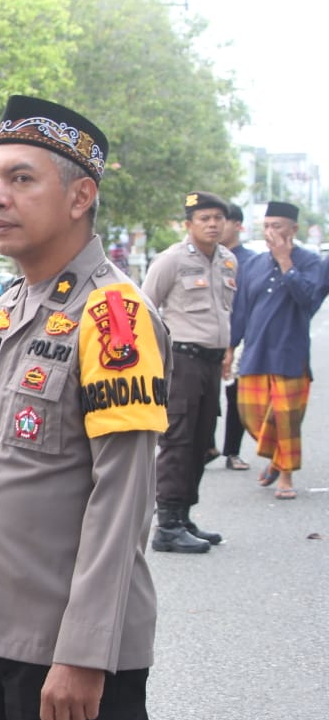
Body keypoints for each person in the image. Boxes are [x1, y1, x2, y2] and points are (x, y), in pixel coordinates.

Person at [0, 96, 168, 720]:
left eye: (21, 179)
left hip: (68, 655)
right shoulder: (9, 306)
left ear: (80, 197)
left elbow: (122, 499)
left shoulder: (114, 314)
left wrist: (85, 653)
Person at [139, 191, 236, 553]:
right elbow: (145, 308)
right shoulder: (172, 260)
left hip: (211, 362)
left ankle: (183, 515)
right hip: (181, 362)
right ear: (188, 224)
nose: (212, 225)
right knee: (178, 441)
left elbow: (225, 312)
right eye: (204, 219)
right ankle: (167, 525)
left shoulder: (228, 261)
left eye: (218, 218)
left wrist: (227, 351)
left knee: (201, 442)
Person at [229, 201, 329, 500]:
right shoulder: (253, 264)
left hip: (290, 353)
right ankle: (276, 457)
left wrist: (286, 262)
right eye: (267, 226)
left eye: (277, 226)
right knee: (250, 414)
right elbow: (240, 310)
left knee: (286, 419)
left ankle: (286, 476)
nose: (270, 231)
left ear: (293, 229)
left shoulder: (312, 263)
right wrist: (230, 347)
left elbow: (309, 301)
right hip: (255, 352)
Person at [219, 202, 256, 470]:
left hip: (239, 337)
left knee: (236, 397)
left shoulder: (250, 261)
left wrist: (232, 345)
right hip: (203, 338)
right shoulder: (203, 257)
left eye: (223, 220)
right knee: (202, 398)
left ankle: (232, 451)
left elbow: (244, 307)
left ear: (238, 226)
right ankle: (205, 446)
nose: (216, 226)